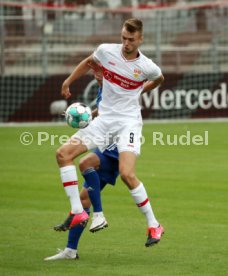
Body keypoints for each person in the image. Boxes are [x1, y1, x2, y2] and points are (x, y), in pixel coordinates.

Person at [56, 18, 165, 247]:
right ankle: (78, 210)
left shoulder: (147, 66)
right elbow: (88, 61)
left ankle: (154, 224)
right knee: (63, 154)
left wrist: (141, 90)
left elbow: (159, 78)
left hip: (128, 124)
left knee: (127, 174)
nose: (126, 43)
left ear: (140, 39)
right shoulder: (106, 51)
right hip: (104, 121)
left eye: (131, 40)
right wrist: (68, 81)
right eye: (124, 38)